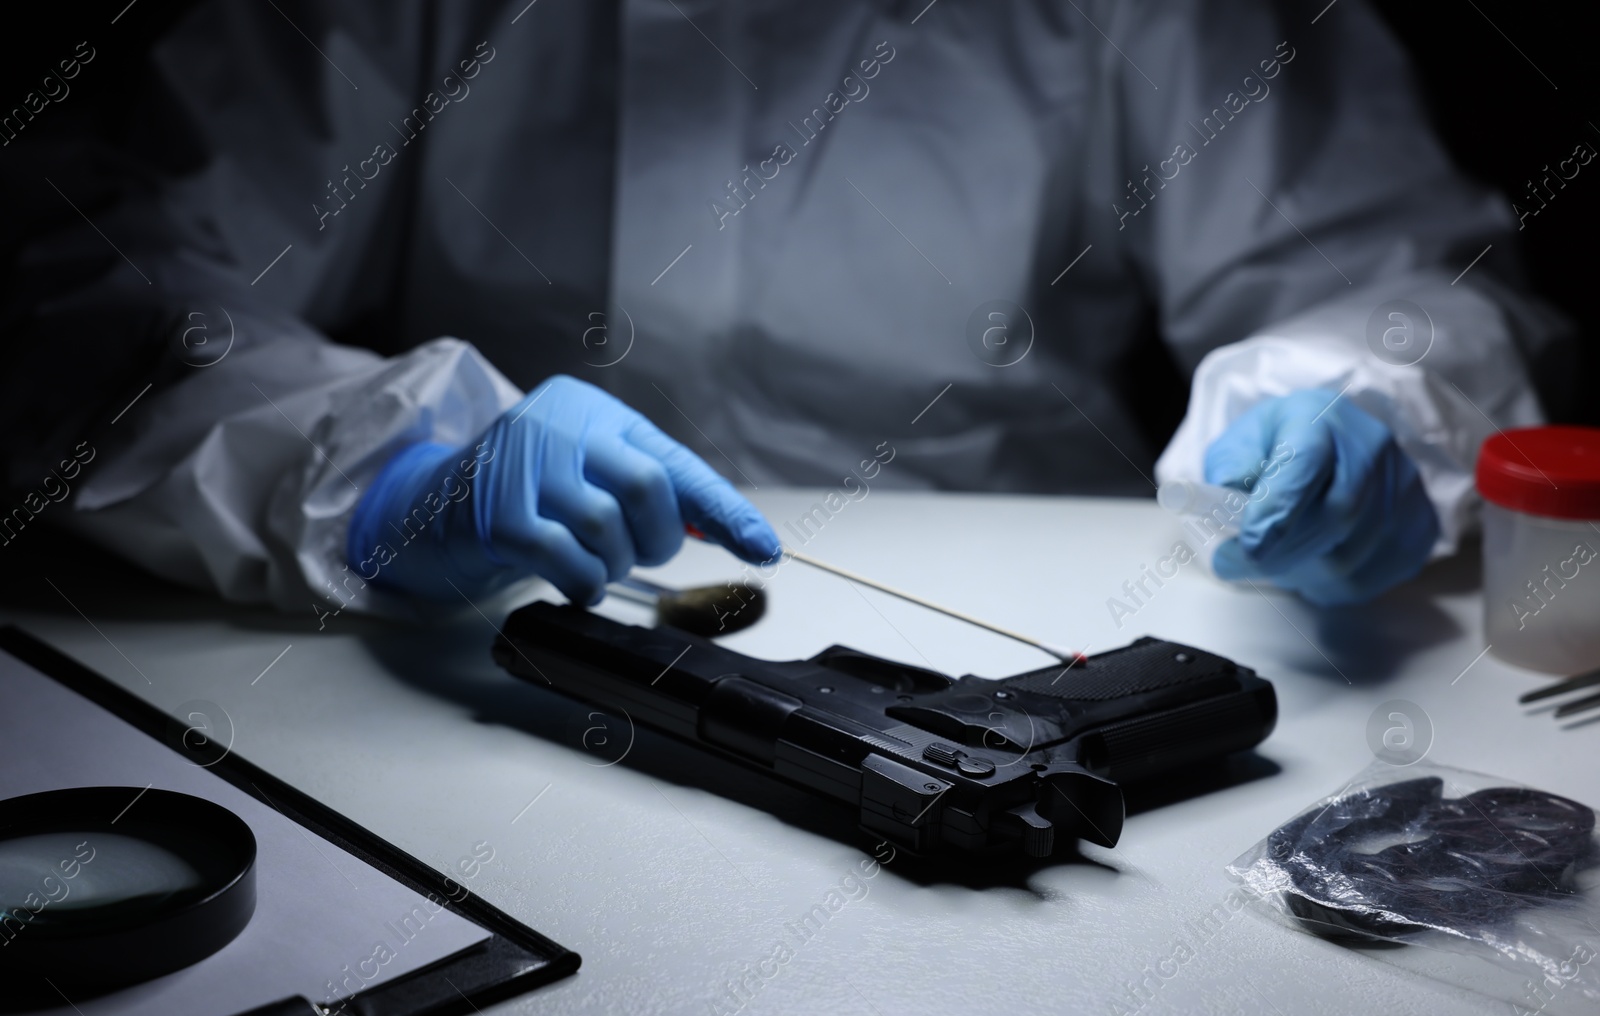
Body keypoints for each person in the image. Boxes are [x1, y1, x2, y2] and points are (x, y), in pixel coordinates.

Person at [0, 0, 1565, 620]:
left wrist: (1363, 408)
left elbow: (1384, 276)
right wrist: (382, 472)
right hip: (505, 627)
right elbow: (104, 293)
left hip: (1038, 649)